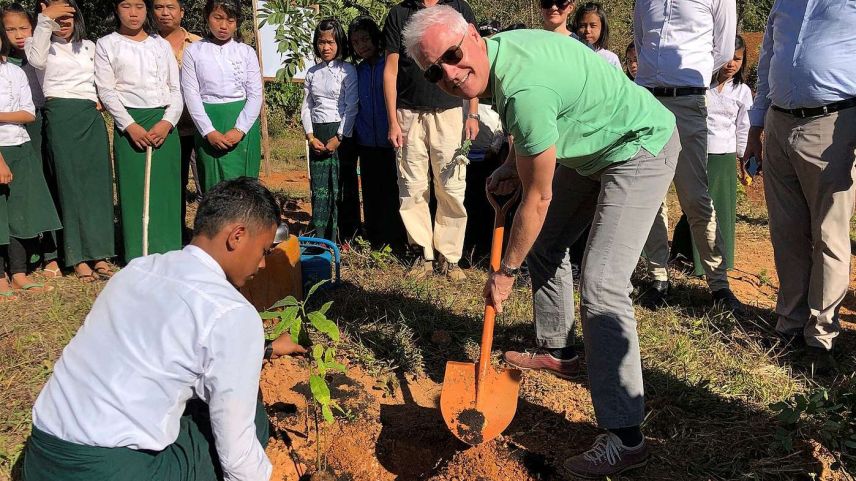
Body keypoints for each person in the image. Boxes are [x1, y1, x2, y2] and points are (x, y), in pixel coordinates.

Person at [402, 6, 680, 476]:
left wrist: (505, 272)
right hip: (592, 146)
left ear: (472, 34)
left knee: (602, 285)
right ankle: (560, 352)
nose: (449, 73)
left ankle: (626, 437)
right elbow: (542, 120)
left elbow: (539, 196)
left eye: (452, 54)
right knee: (546, 246)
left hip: (638, 147)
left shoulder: (522, 87)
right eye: (435, 70)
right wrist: (512, 165)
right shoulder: (505, 54)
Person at [22, 177, 308, 481]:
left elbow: (158, 344)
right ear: (236, 236)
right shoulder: (232, 311)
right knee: (252, 416)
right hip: (108, 471)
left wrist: (263, 348)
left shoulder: (137, 270)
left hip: (41, 457)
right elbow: (238, 456)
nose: (262, 265)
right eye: (263, 251)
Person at [743, 0, 856, 371]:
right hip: (778, 122)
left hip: (834, 124)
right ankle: (790, 323)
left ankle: (821, 335)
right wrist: (756, 125)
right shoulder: (784, 3)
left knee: (829, 233)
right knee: (786, 231)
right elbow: (766, 61)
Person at [635, 0, 743, 313]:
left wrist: (685, 77)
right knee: (649, 196)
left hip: (688, 101)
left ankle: (719, 284)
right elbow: (642, 42)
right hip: (646, 103)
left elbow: (722, 51)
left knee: (695, 196)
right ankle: (658, 277)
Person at [382, 0, 479, 281]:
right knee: (411, 186)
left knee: (451, 185)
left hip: (449, 110)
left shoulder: (459, 7)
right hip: (407, 113)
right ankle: (421, 253)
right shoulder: (399, 13)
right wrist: (392, 120)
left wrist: (472, 112)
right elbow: (391, 70)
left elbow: (472, 57)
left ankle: (449, 257)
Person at [27, 0, 116, 282]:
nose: (63, 23)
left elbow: (104, 78)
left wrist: (102, 98)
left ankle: (100, 252)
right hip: (61, 114)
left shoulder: (90, 46)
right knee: (70, 186)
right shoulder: (39, 42)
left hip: (89, 115)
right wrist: (45, 20)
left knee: (97, 185)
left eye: (68, 18)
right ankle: (76, 256)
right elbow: (37, 61)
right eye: (58, 18)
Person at [96, 0, 183, 263]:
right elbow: (107, 90)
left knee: (166, 192)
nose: (133, 13)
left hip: (163, 124)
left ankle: (169, 254)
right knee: (134, 192)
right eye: (126, 6)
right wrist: (130, 126)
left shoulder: (160, 45)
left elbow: (175, 89)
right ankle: (139, 255)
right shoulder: (107, 44)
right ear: (116, 9)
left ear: (146, 10)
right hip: (130, 125)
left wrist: (167, 122)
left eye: (139, 6)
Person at [671, 35, 753, 277]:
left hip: (724, 155)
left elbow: (743, 126)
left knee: (720, 208)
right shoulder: (701, 84)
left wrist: (742, 158)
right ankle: (689, 254)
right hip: (697, 150)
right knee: (696, 204)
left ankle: (717, 261)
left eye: (737, 59)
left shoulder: (742, 91)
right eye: (728, 58)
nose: (732, 64)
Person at [0, 33, 62, 300]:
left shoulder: (14, 71)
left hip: (20, 144)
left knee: (18, 211)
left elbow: (28, 112)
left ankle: (18, 272)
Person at [181, 0, 263, 193]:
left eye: (230, 20)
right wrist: (209, 131)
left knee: (245, 187)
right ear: (207, 17)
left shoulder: (246, 52)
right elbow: (191, 94)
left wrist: (239, 129)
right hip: (208, 121)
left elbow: (255, 94)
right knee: (214, 186)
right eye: (218, 18)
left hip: (243, 123)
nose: (224, 26)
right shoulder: (193, 51)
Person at [349, 16, 406, 252]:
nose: (362, 45)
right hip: (366, 142)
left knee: (393, 191)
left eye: (365, 39)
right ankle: (373, 237)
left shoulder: (390, 66)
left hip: (389, 139)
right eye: (356, 42)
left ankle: (396, 239)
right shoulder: (357, 71)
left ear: (376, 38)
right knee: (371, 190)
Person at [301, 18, 359, 243]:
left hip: (342, 133)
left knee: (342, 185)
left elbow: (351, 106)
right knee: (320, 186)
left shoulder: (348, 71)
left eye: (331, 42)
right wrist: (310, 136)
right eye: (321, 42)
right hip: (318, 133)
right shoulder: (312, 73)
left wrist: (339, 137)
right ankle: (322, 235)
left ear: (340, 44)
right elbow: (307, 106)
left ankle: (346, 236)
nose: (325, 47)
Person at [153, 0, 202, 240]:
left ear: (181, 12)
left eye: (170, 7)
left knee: (206, 184)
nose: (165, 13)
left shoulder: (199, 44)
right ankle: (175, 234)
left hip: (200, 127)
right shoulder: (148, 45)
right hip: (167, 127)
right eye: (159, 7)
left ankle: (204, 235)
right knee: (173, 185)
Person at [572, 2, 621, 69]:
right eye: (582, 26)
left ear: (602, 28)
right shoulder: (571, 55)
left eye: (593, 26)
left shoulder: (610, 59)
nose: (587, 30)